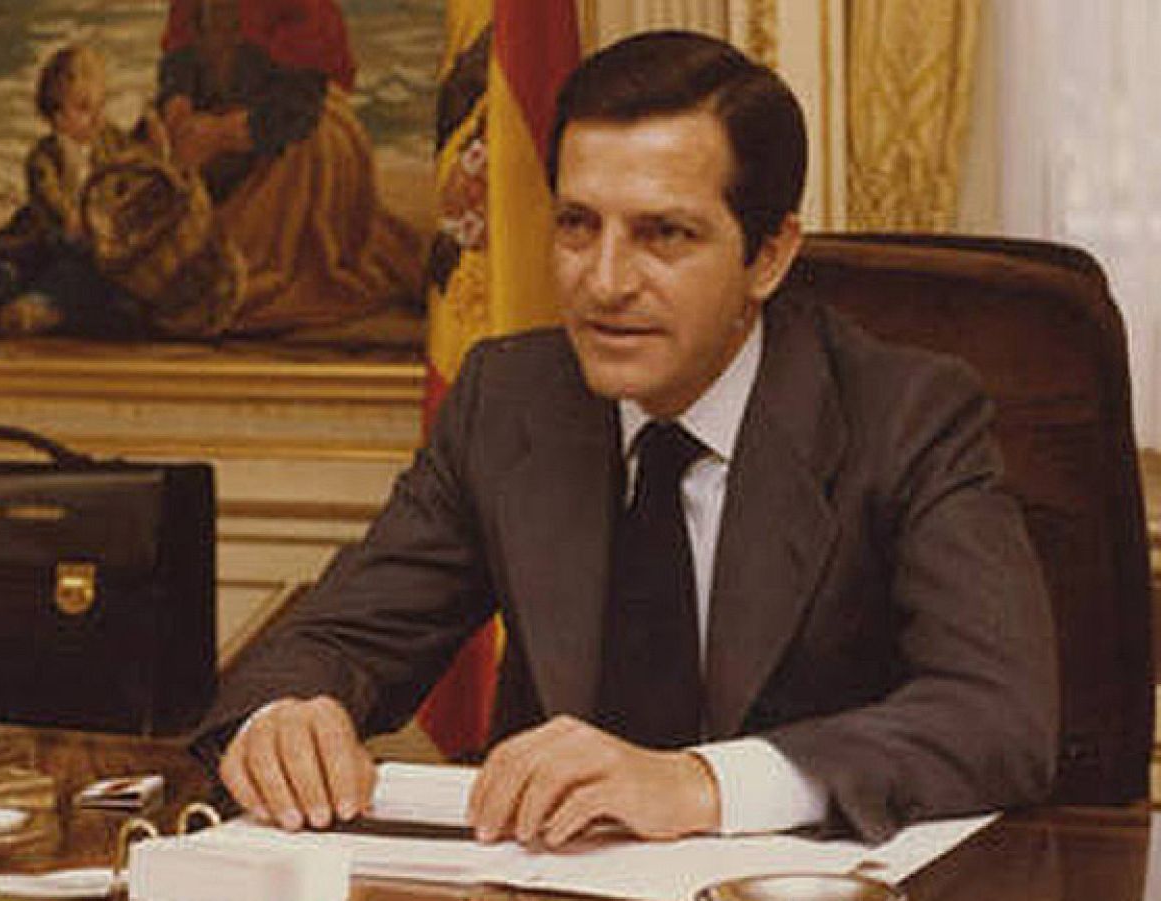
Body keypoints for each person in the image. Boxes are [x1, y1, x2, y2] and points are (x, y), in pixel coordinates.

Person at [194, 30, 1058, 846]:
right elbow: (336, 641)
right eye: (577, 225)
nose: (603, 283)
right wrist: (284, 719)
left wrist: (700, 783)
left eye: (663, 234)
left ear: (768, 257)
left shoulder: (905, 413)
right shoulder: (508, 400)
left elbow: (997, 716)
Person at [157, 0, 425, 333]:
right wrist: (178, 112)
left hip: (293, 124)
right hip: (219, 117)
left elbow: (298, 104)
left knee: (308, 154)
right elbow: (180, 60)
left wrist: (219, 134)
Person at [0, 43, 147, 339]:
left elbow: (136, 159)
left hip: (90, 244)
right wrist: (70, 218)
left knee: (76, 277)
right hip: (44, 234)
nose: (97, 118)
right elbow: (47, 194)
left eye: (101, 106)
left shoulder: (109, 140)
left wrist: (150, 133)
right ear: (58, 117)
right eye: (85, 108)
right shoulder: (44, 156)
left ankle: (34, 308)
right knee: (4, 266)